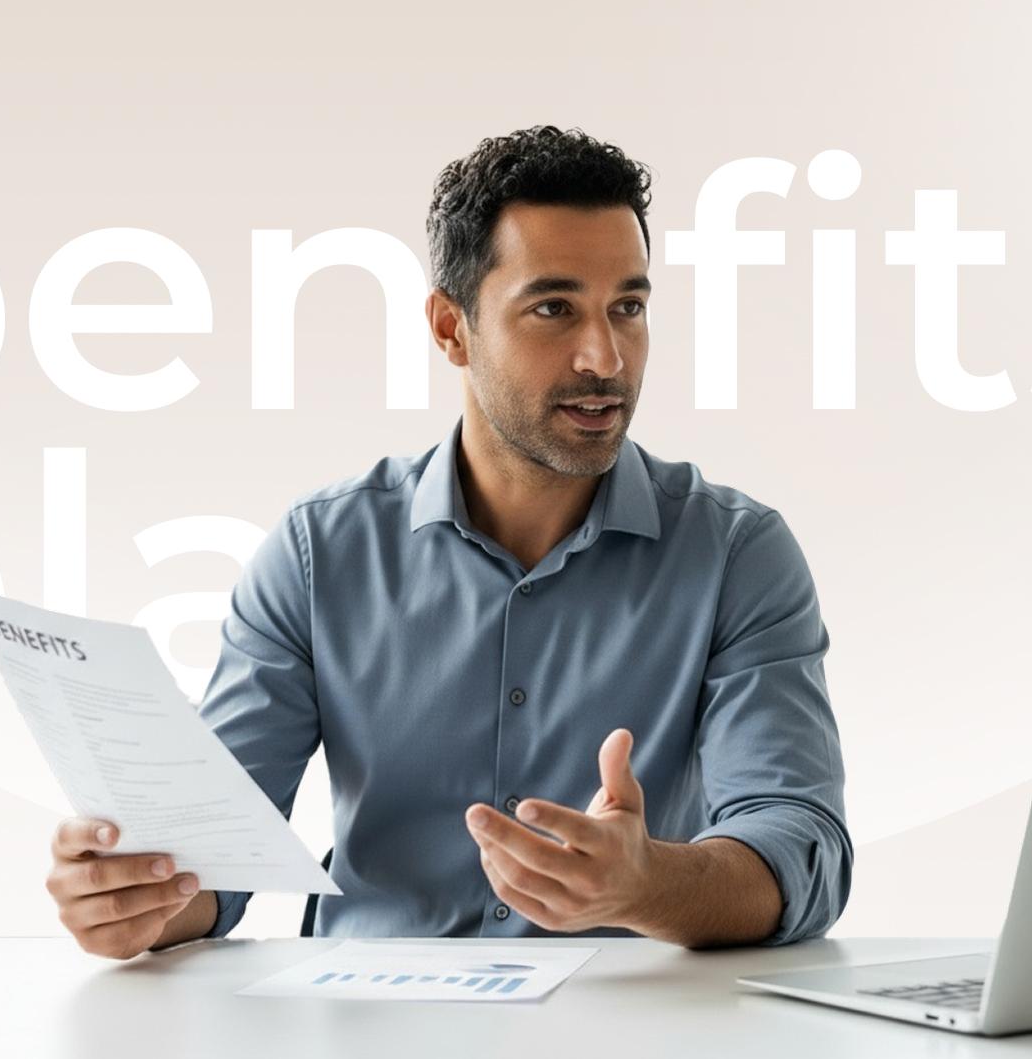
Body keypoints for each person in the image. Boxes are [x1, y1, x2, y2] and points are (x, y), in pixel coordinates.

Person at [45, 125, 853, 960]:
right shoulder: (320, 553)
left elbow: (802, 848)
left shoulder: (735, 554)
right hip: (366, 1014)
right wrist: (133, 901)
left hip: (623, 1015)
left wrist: (647, 884)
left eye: (628, 308)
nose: (605, 356)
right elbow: (214, 862)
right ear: (450, 328)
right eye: (554, 308)